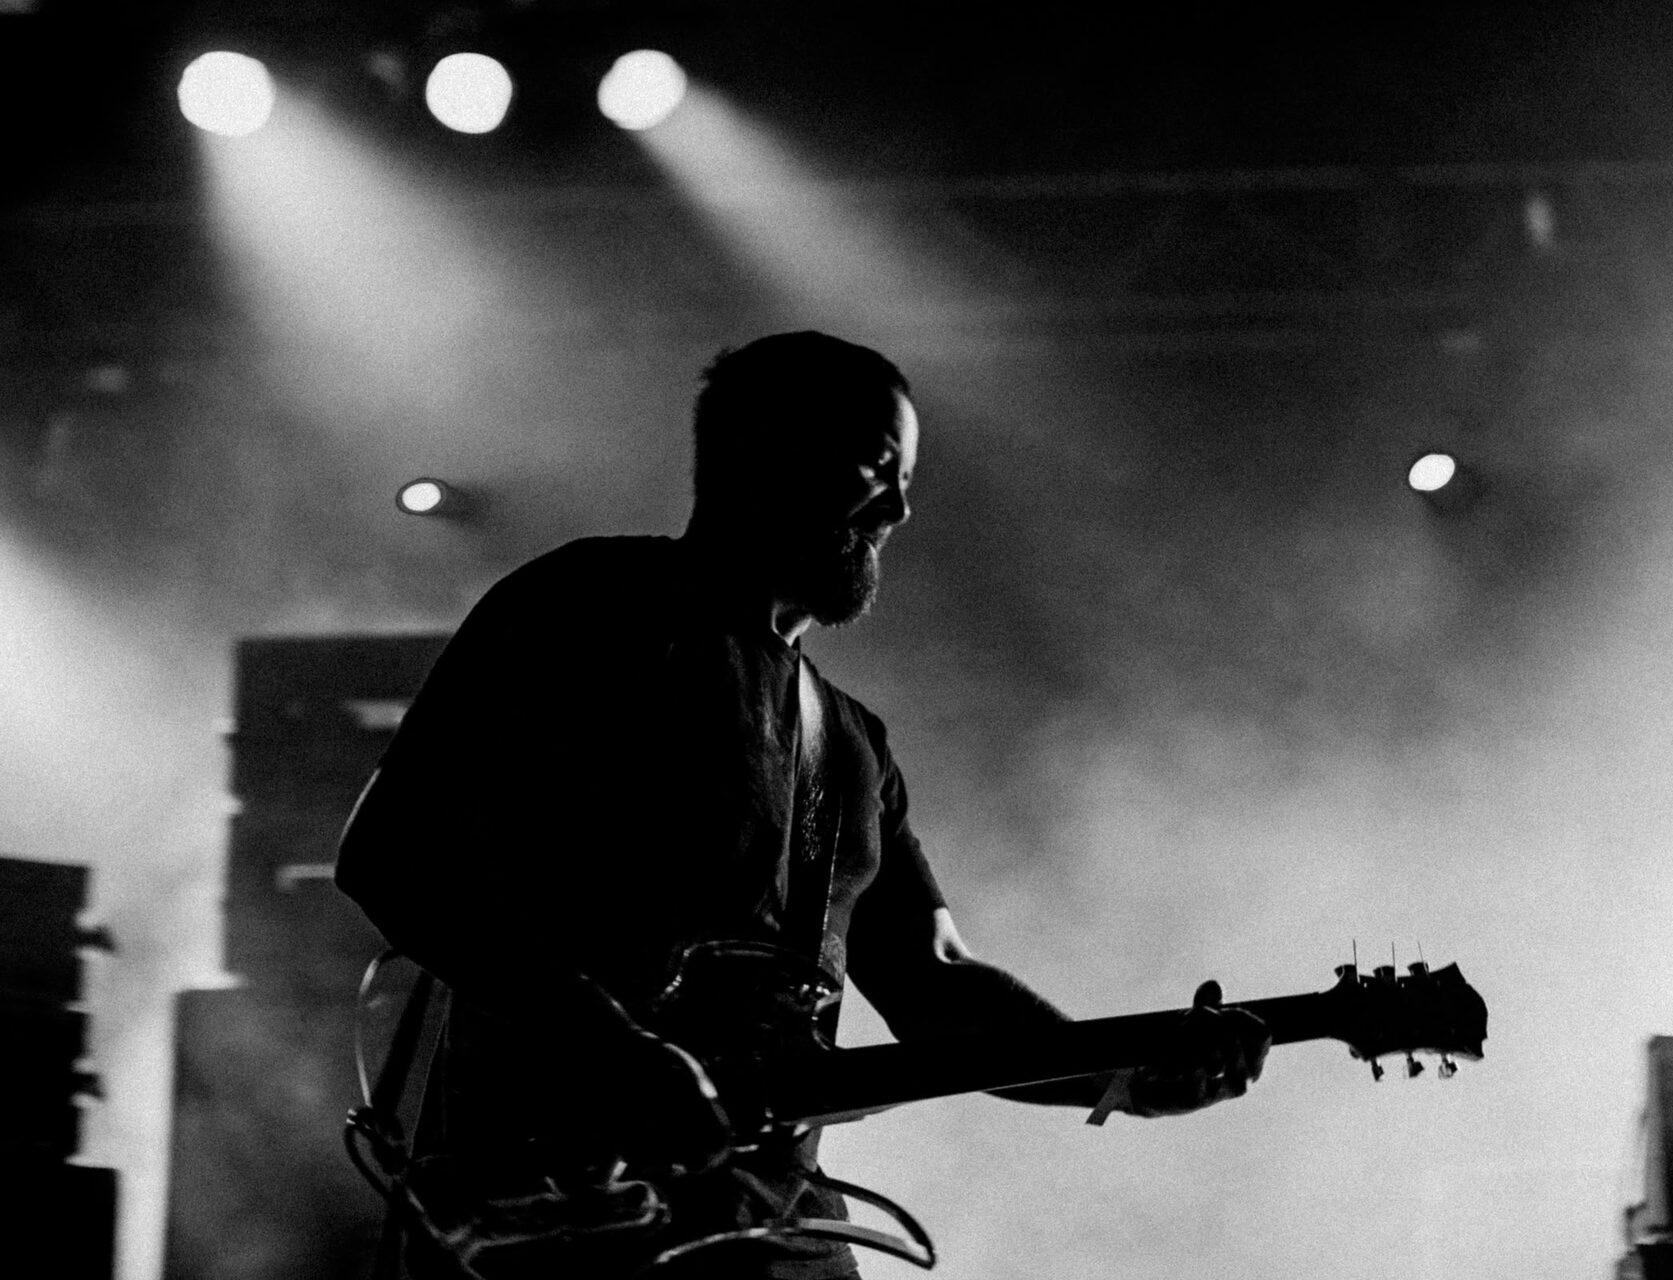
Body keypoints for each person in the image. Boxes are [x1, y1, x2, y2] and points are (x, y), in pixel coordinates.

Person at [334, 331, 1270, 1279]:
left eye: (905, 478)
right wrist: (615, 1050)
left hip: (773, 1235)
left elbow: (935, 984)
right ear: (762, 449)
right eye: (876, 466)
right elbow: (392, 854)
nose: (900, 507)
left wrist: (1123, 1075)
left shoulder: (849, 744)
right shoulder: (593, 606)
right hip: (555, 1227)